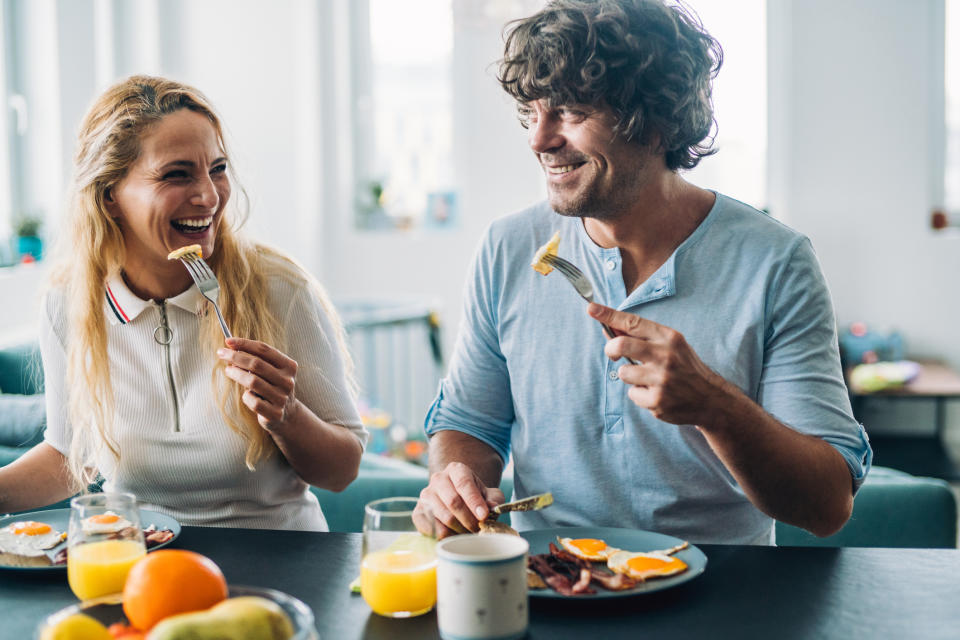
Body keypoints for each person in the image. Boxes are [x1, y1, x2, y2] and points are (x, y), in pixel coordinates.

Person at [415, 0, 872, 545]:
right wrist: (455, 482)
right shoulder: (507, 247)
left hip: (719, 598)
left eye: (572, 112)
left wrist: (715, 407)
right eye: (531, 113)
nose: (540, 140)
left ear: (655, 124)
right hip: (549, 583)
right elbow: (470, 424)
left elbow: (826, 506)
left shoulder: (775, 262)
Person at [0, 76, 367, 531]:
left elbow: (342, 470)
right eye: (177, 174)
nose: (210, 196)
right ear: (109, 194)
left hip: (280, 565)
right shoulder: (68, 303)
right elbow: (69, 456)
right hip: (142, 564)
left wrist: (287, 415)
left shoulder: (280, 288)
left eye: (217, 168)